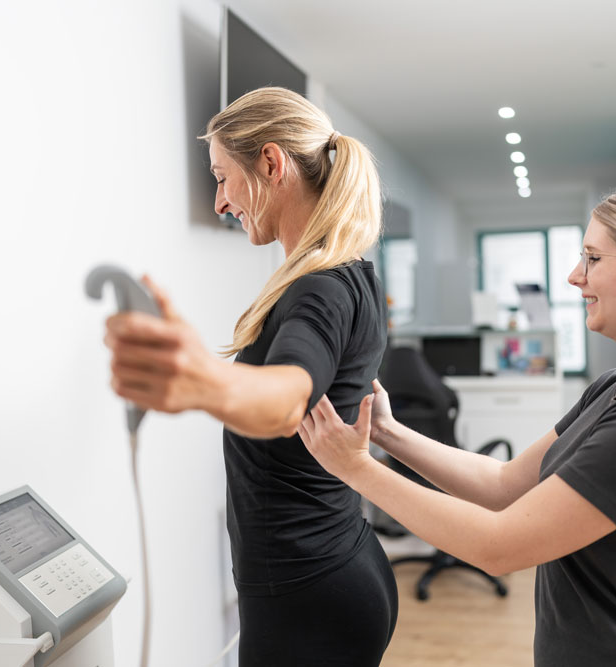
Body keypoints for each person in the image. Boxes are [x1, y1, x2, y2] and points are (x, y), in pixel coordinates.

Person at [298, 185, 616, 666]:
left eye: (593, 259)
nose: (574, 276)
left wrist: (357, 470)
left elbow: (498, 547)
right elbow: (503, 486)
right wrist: (387, 433)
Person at [104, 87, 397, 665]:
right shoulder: (353, 274)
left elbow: (289, 394)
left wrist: (204, 383)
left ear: (270, 162)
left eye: (221, 177)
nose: (219, 202)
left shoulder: (317, 290)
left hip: (305, 594)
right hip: (341, 563)